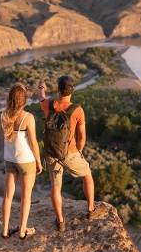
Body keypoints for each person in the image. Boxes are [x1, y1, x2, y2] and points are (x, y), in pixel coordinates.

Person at [39, 75, 99, 231]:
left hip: (51, 151)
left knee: (55, 186)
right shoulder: (77, 110)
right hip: (69, 153)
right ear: (73, 90)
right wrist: (79, 150)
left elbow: (41, 98)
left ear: (58, 89)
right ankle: (91, 209)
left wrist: (42, 88)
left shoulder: (48, 105)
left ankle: (60, 221)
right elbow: (82, 136)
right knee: (87, 174)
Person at [0, 82, 42, 240]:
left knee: (7, 196)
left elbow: (2, 139)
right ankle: (23, 230)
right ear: (23, 100)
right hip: (25, 160)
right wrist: (38, 161)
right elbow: (33, 143)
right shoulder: (28, 117)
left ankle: (5, 230)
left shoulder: (3, 116)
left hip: (9, 159)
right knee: (26, 196)